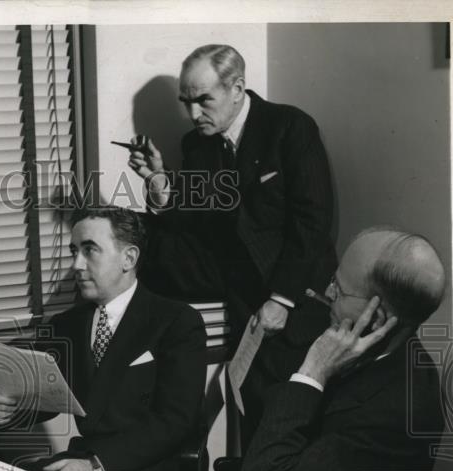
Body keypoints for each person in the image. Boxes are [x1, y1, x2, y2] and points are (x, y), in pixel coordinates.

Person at [127, 44, 336, 442]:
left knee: (295, 415)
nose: (192, 115)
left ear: (237, 88)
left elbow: (313, 225)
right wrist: (157, 180)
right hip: (238, 290)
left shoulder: (291, 127)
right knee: (256, 412)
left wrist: (282, 299)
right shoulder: (197, 145)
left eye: (204, 100)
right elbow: (190, 225)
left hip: (296, 292)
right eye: (185, 102)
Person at [0, 206, 207, 471]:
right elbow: (50, 397)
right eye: (74, 251)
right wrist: (8, 410)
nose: (76, 264)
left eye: (89, 250)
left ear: (129, 258)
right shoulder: (68, 324)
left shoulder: (177, 320)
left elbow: (175, 421)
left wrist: (98, 466)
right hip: (82, 461)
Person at [238, 227, 447, 471]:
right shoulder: (351, 343)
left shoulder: (400, 414)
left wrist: (312, 373)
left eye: (338, 290)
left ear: (376, 319)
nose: (325, 292)